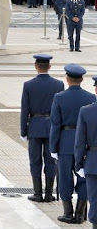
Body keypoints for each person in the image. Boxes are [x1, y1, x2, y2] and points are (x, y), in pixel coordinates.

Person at [50, 64, 95, 224]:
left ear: (67, 79)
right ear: (82, 79)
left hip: (65, 142)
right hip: (84, 145)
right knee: (83, 178)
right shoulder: (91, 97)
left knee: (64, 178)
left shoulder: (59, 97)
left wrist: (53, 147)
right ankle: (80, 213)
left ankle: (67, 213)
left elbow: (55, 125)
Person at [20, 54, 64, 204]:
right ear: (49, 67)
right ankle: (49, 193)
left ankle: (37, 193)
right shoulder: (58, 85)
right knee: (51, 160)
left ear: (36, 66)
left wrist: (23, 131)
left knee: (35, 160)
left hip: (35, 126)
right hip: (52, 126)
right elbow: (60, 110)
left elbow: (25, 110)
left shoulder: (28, 85)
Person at [74, 76, 97, 227]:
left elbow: (80, 142)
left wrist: (79, 164)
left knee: (94, 199)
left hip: (93, 163)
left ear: (96, 90)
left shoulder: (86, 112)